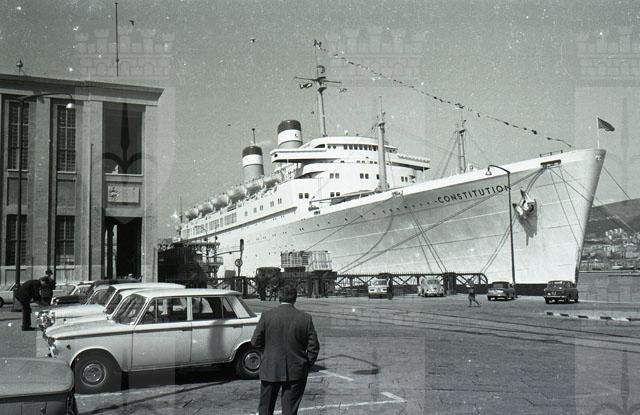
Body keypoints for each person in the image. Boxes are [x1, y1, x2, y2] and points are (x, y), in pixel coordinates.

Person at [251, 285, 320, 415]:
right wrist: (306, 363)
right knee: (289, 410)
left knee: (265, 409)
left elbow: (255, 341)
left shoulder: (267, 316)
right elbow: (314, 346)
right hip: (296, 369)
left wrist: (269, 352)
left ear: (279, 297)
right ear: (295, 299)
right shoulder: (305, 318)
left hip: (271, 367)